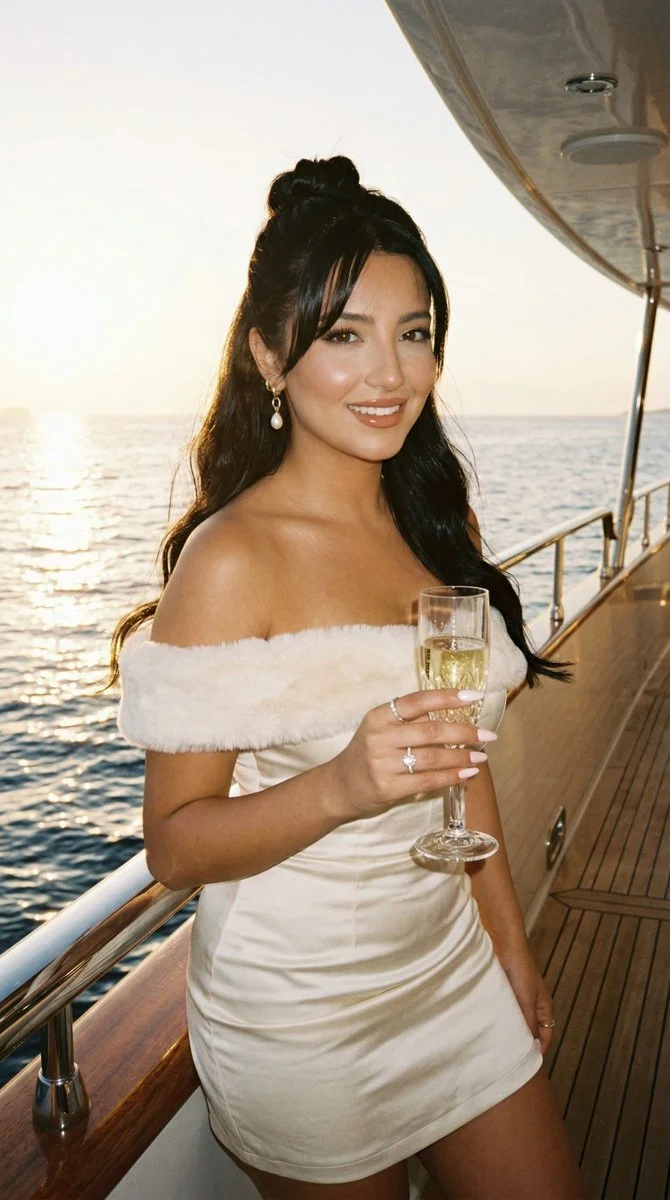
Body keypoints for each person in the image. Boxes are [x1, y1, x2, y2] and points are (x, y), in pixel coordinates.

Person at [111, 156, 586, 1200]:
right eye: (344, 335)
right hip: (305, 1021)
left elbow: (464, 768)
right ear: (268, 357)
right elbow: (176, 847)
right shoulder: (230, 560)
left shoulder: (429, 525)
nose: (391, 374)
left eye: (414, 333)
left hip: (452, 972)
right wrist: (342, 786)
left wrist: (511, 949)